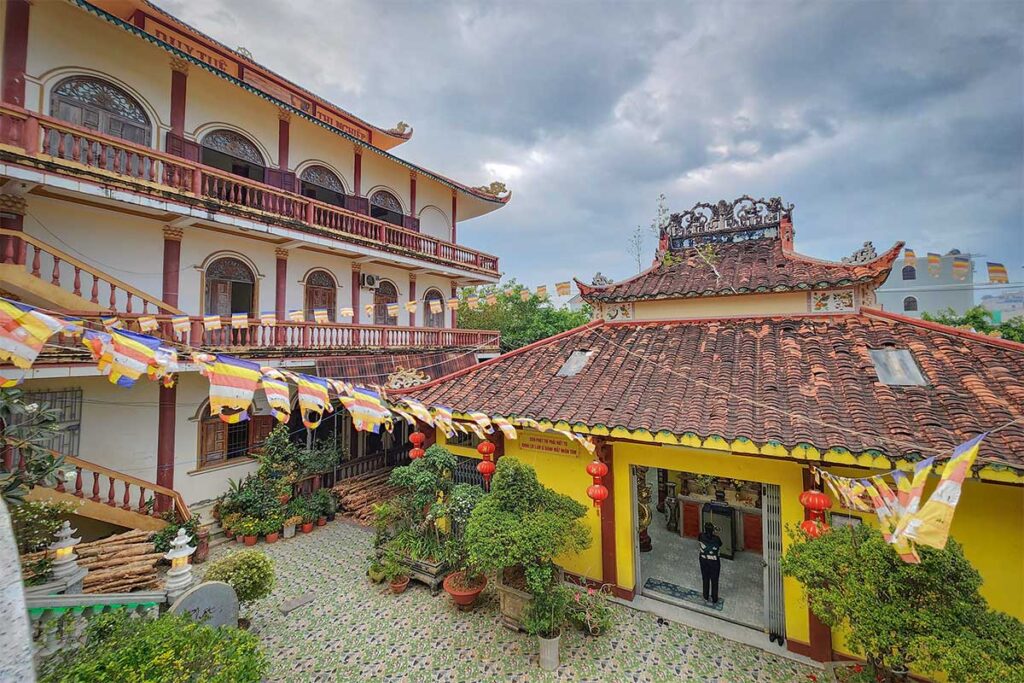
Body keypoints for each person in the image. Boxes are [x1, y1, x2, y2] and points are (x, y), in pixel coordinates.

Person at [698, 521, 722, 606]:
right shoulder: (716, 539)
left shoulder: (701, 536)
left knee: (705, 578)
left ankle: (705, 596)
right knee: (714, 580)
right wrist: (716, 533)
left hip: (703, 559)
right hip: (714, 561)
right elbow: (720, 544)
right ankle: (714, 598)